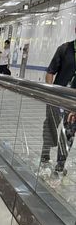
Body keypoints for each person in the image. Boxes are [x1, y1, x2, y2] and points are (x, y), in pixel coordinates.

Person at [40, 27, 76, 177]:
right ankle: (45, 155)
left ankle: (60, 165)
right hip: (57, 97)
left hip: (73, 102)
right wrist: (50, 92)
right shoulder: (64, 49)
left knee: (69, 131)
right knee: (50, 125)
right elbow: (50, 72)